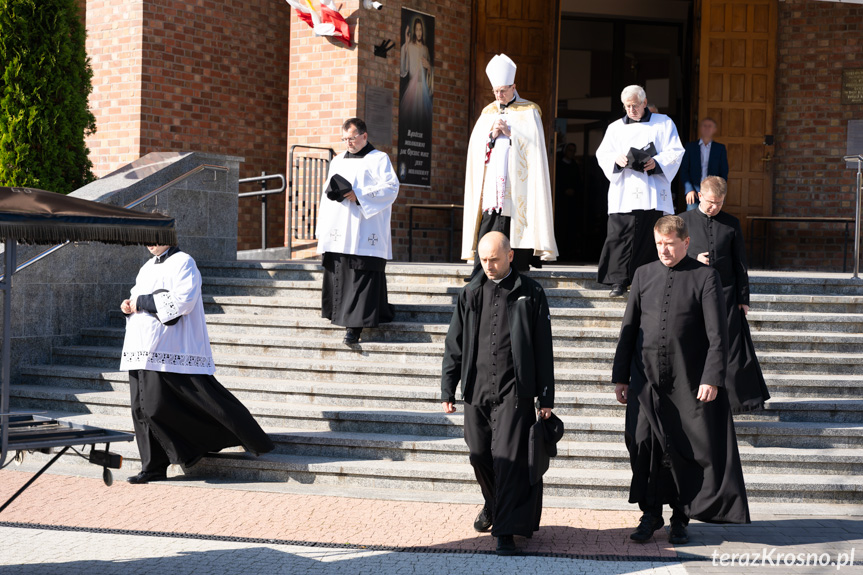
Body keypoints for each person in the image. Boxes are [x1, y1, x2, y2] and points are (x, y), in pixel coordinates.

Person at [612, 215, 750, 545]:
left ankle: (679, 517)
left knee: (681, 451)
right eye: (659, 244)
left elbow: (719, 335)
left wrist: (713, 377)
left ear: (686, 243)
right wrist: (620, 376)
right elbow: (628, 329)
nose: (664, 250)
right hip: (645, 381)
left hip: (687, 382)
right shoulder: (644, 274)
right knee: (642, 443)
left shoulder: (705, 277)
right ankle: (650, 513)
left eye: (670, 244)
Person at [120, 242, 274, 484]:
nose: (150, 244)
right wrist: (129, 305)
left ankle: (238, 438)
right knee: (140, 409)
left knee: (158, 406)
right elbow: (137, 297)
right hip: (141, 345)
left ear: (168, 236)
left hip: (170, 344)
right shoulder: (147, 267)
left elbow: (183, 301)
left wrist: (141, 302)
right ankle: (153, 468)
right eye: (146, 239)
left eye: (155, 237)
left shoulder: (184, 262)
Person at [441, 231, 555, 556]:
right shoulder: (470, 292)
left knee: (509, 462)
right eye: (483, 259)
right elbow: (455, 343)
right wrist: (448, 387)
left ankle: (505, 530)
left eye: (494, 259)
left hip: (514, 392)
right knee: (478, 454)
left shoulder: (530, 293)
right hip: (476, 389)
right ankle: (493, 504)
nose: (488, 265)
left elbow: (543, 349)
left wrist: (545, 398)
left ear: (510, 256)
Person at [462, 54, 558, 276]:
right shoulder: (488, 112)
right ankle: (480, 270)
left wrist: (511, 133)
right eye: (495, 91)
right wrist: (491, 136)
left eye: (503, 90)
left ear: (514, 87)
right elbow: (476, 149)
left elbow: (536, 148)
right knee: (490, 222)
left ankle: (518, 267)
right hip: (493, 183)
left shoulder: (530, 111)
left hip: (518, 184)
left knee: (517, 221)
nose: (499, 95)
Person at [680, 176, 770, 412]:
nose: (715, 207)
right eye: (711, 202)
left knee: (733, 347)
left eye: (719, 203)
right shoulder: (683, 220)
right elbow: (668, 255)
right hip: (694, 295)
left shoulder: (731, 223)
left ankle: (739, 402)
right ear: (700, 196)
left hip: (727, 294)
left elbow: (740, 263)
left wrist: (743, 298)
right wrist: (692, 259)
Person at [316, 117, 400, 345]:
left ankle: (354, 329)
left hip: (365, 228)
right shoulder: (338, 160)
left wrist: (360, 195)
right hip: (339, 227)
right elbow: (327, 193)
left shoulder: (379, 159)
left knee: (361, 275)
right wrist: (321, 229)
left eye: (351, 138)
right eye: (344, 139)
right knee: (341, 272)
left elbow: (391, 188)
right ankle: (347, 315)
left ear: (364, 135)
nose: (348, 143)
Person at [596, 85, 685, 297]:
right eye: (627, 106)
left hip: (652, 190)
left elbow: (676, 151)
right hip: (624, 191)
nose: (631, 110)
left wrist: (657, 162)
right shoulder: (615, 128)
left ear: (645, 103)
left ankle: (645, 281)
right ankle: (618, 281)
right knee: (620, 236)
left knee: (648, 237)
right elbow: (603, 154)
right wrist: (616, 160)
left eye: (635, 105)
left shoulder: (663, 123)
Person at [680, 118, 729, 211]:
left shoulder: (720, 148)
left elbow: (724, 172)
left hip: (713, 191)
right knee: (693, 218)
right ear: (700, 128)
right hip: (694, 191)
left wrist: (720, 191)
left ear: (714, 129)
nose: (707, 128)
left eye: (710, 126)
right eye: (704, 126)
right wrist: (689, 189)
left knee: (713, 219)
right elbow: (684, 170)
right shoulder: (690, 147)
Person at [399, 16, 433, 132]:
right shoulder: (410, 47)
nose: (419, 32)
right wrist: (406, 44)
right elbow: (403, 70)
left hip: (422, 90)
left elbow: (430, 72)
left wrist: (428, 67)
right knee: (411, 119)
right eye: (417, 29)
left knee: (422, 120)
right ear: (414, 31)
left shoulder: (425, 49)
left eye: (421, 29)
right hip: (412, 89)